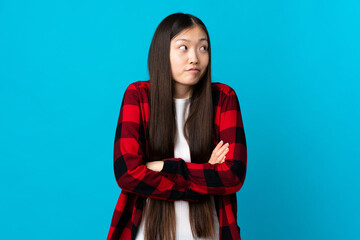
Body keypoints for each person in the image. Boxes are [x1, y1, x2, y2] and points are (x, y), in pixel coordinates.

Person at [107, 13, 247, 240]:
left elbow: (232, 175)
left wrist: (161, 167)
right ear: (162, 53)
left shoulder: (223, 98)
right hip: (147, 233)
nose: (195, 58)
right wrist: (204, 176)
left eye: (203, 48)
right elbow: (127, 174)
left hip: (209, 233)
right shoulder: (138, 96)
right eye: (184, 47)